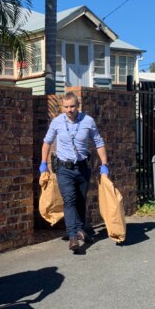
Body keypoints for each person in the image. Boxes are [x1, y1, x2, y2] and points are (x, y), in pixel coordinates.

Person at [39, 92, 109, 252]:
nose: (69, 110)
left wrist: (104, 164)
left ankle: (80, 229)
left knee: (81, 200)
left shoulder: (88, 121)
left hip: (83, 167)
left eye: (72, 106)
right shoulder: (56, 122)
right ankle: (72, 236)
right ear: (62, 107)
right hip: (64, 168)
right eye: (66, 107)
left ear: (78, 106)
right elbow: (47, 142)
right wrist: (43, 163)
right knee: (69, 200)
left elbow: (98, 142)